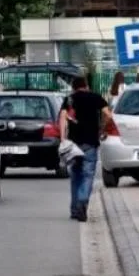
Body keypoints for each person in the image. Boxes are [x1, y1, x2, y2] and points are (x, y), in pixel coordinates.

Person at [59, 76, 113, 222]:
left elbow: (63, 118)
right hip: (90, 142)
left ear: (73, 87)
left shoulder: (69, 99)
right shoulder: (96, 97)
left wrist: (63, 138)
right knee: (88, 175)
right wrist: (101, 128)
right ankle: (83, 200)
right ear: (86, 86)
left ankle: (75, 210)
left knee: (75, 175)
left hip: (74, 143)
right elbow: (108, 114)